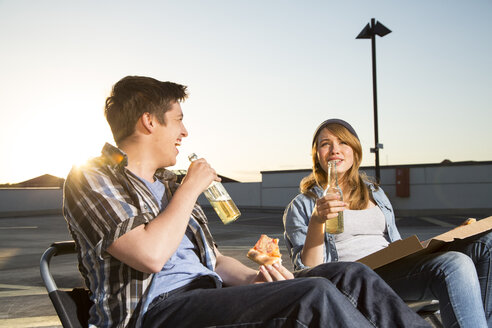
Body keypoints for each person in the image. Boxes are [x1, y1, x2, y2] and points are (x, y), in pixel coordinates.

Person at [63, 77, 430, 328]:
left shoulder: (170, 185)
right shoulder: (92, 177)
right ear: (149, 122)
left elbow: (214, 260)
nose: (185, 132)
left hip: (209, 296)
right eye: (178, 121)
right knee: (312, 294)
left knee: (351, 275)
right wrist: (191, 189)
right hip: (155, 312)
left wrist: (258, 279)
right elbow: (150, 255)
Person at [283, 118, 492, 328]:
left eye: (343, 142)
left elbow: (397, 245)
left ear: (355, 151)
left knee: (487, 244)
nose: (335, 149)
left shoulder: (375, 193)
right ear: (316, 155)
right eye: (325, 143)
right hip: (355, 281)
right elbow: (308, 271)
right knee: (455, 264)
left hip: (394, 272)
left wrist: (445, 240)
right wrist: (317, 220)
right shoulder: (303, 205)